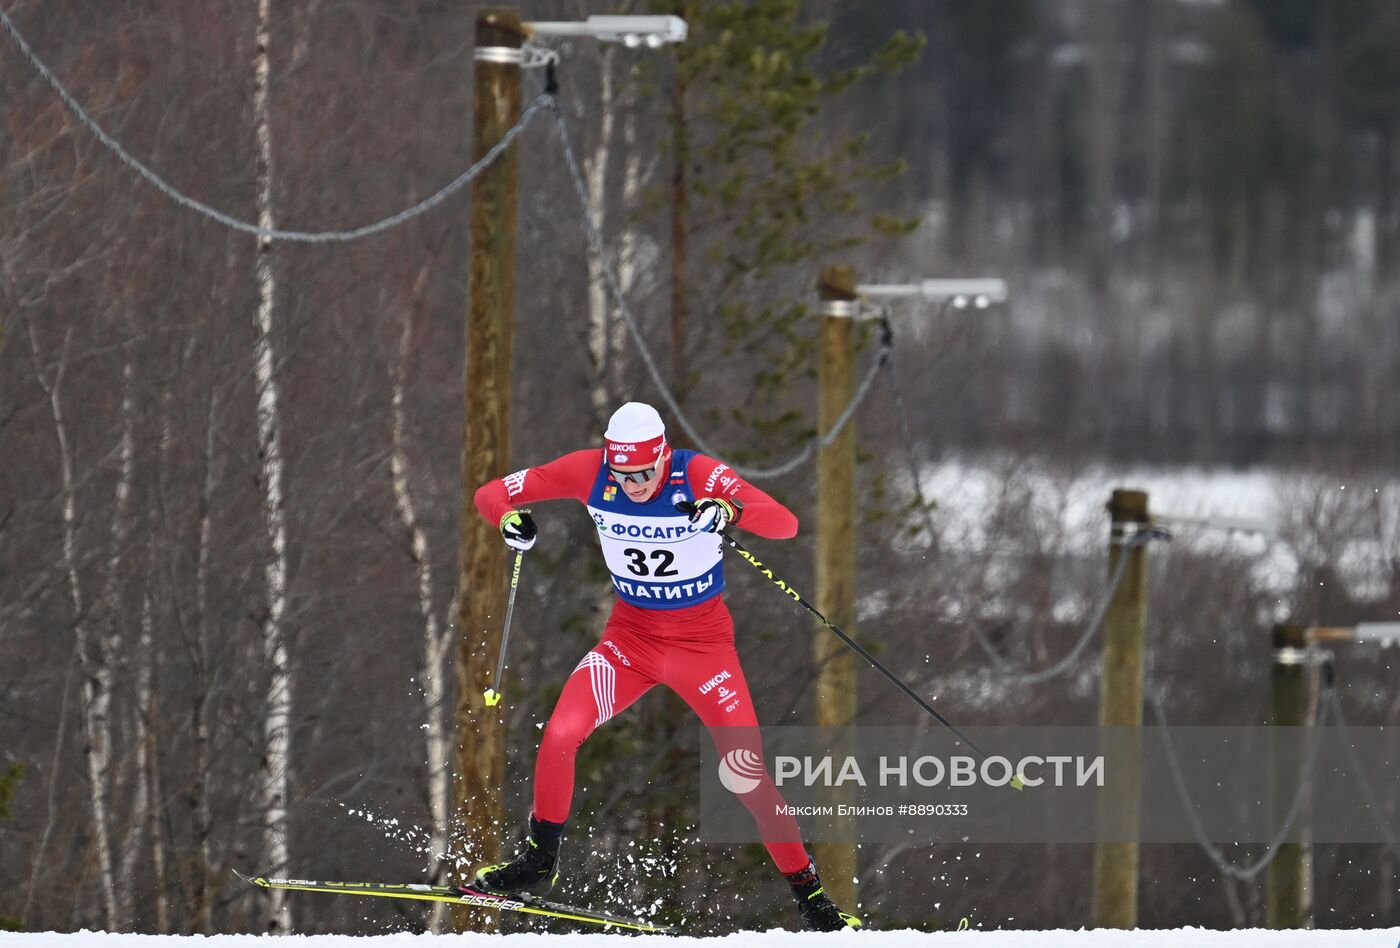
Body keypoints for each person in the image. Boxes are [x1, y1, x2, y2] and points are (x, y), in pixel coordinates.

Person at [462, 401, 861, 931]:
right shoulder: (589, 471)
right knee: (561, 733)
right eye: (624, 475)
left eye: (646, 473)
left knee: (746, 775)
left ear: (663, 457)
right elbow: (491, 494)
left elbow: (785, 524)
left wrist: (727, 510)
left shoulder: (695, 472)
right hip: (631, 642)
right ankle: (539, 860)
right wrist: (510, 519)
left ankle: (813, 900)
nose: (635, 485)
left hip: (704, 650)